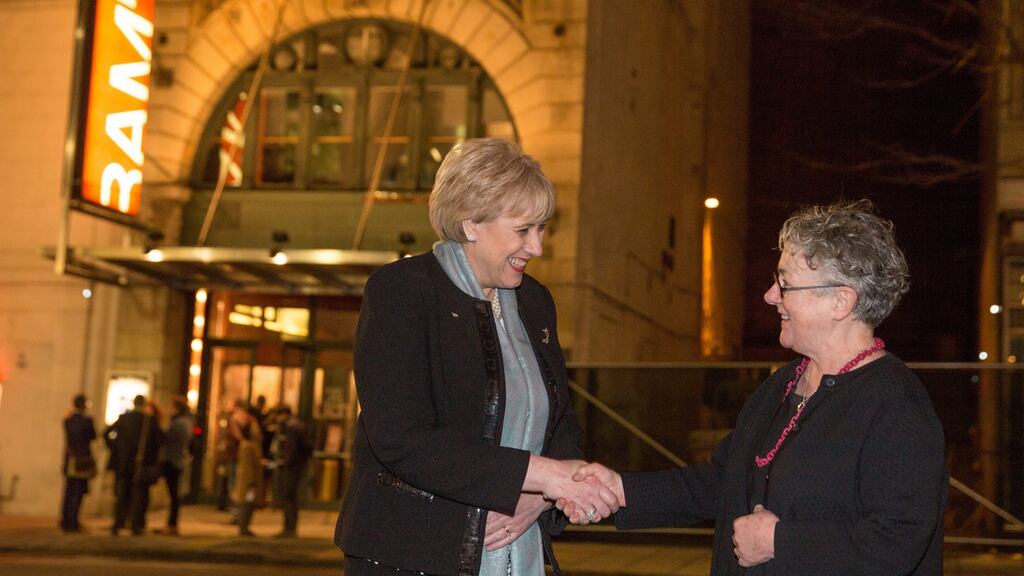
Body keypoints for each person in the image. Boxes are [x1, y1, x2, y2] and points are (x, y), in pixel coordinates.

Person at [569, 200, 947, 575]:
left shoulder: (896, 405)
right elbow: (724, 481)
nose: (770, 296)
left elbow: (898, 540)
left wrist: (779, 543)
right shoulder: (781, 385)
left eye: (785, 285)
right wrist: (621, 490)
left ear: (840, 301)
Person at [335, 137, 619, 576]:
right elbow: (401, 437)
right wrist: (541, 476)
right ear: (470, 224)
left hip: (517, 552)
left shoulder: (535, 301)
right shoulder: (403, 291)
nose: (537, 247)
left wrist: (542, 498)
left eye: (542, 228)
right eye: (523, 230)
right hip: (411, 553)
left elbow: (560, 420)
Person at [106, 394, 165, 536]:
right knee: (140, 494)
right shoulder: (149, 421)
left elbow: (107, 433)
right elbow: (160, 440)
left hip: (123, 463)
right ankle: (136, 525)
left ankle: (119, 522)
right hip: (142, 463)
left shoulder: (124, 418)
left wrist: (115, 448)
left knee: (122, 493)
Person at [269, 405, 311, 538]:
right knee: (290, 496)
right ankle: (290, 527)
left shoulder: (292, 428)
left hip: (291, 467)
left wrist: (285, 461)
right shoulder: (297, 426)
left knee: (287, 496)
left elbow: (291, 449)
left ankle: (289, 527)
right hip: (296, 466)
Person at [155, 396, 194, 536]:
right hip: (177, 460)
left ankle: (172, 525)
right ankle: (171, 524)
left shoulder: (178, 423)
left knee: (173, 495)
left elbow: (167, 439)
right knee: (174, 494)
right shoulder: (186, 422)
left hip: (172, 461)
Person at [61, 393, 97, 533]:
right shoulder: (87, 420)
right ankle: (73, 522)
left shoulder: (68, 420)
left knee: (69, 491)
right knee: (78, 491)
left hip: (70, 459)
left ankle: (65, 520)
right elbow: (93, 436)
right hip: (82, 459)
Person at [233, 411, 263, 537]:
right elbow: (247, 467)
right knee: (247, 502)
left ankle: (244, 526)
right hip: (249, 483)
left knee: (249, 503)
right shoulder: (248, 446)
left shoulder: (252, 445)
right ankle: (243, 526)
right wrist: (251, 481)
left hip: (250, 481)